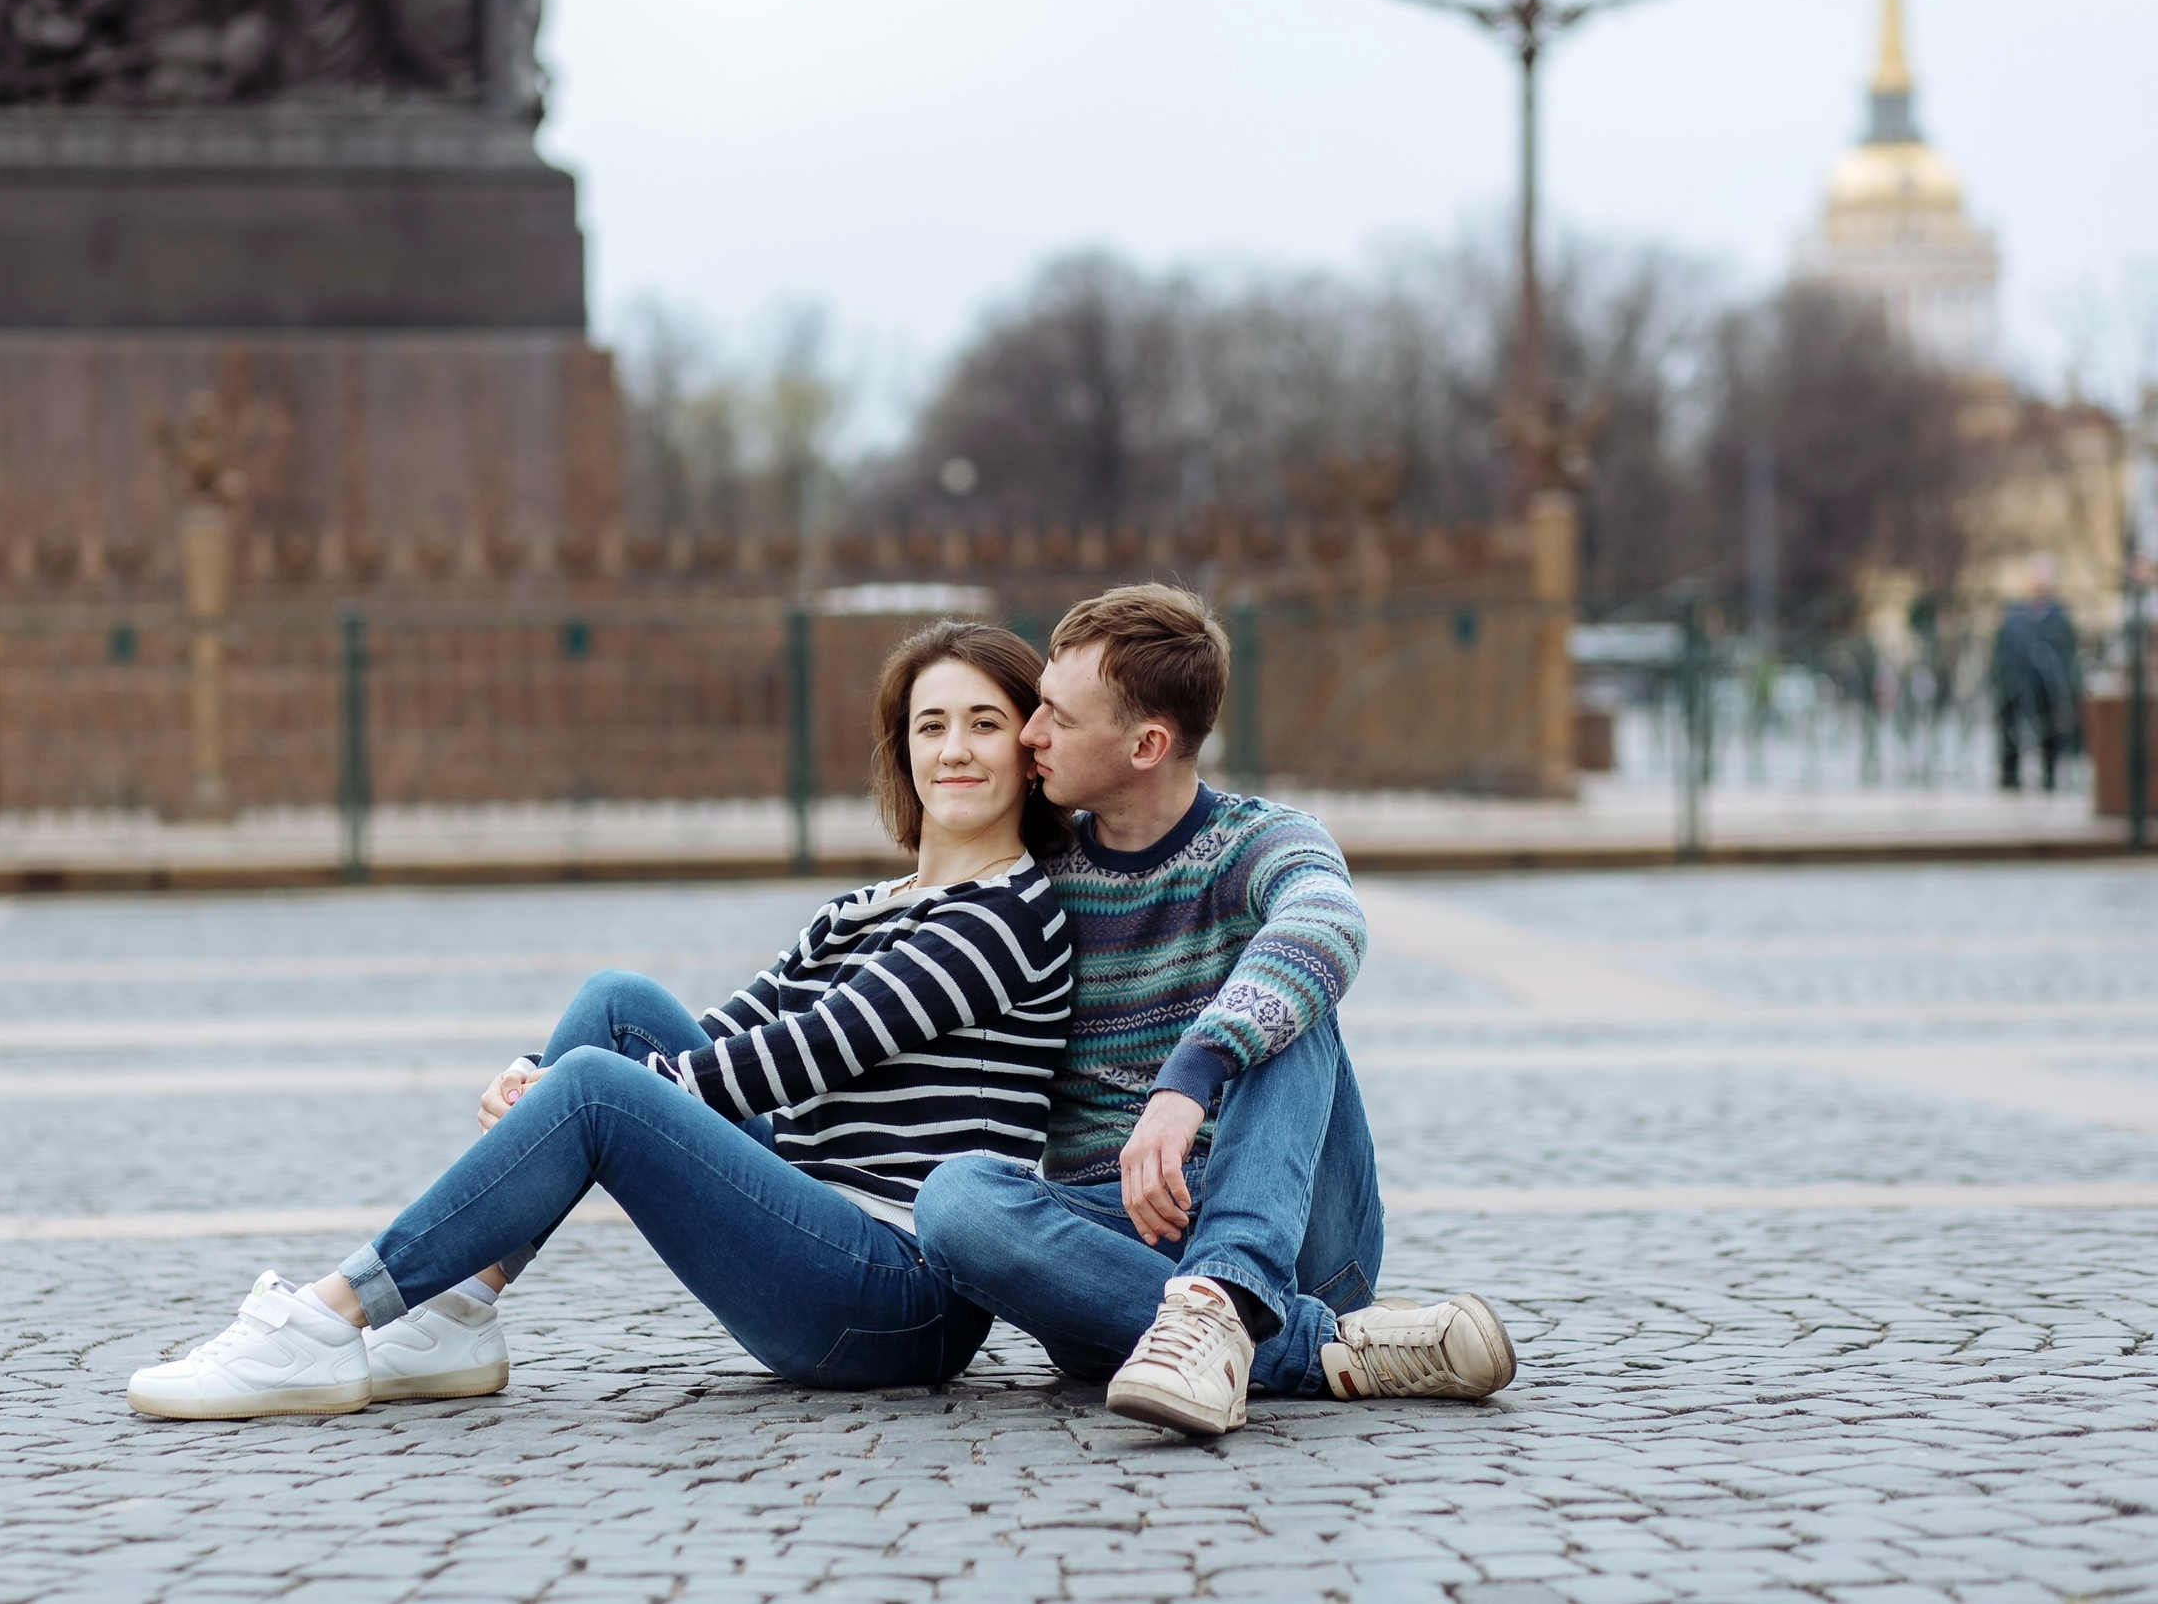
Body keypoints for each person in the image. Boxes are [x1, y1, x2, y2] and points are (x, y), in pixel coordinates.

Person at [126, 622, 1075, 1418]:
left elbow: (797, 1060)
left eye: (984, 724)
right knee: (618, 1010)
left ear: (1028, 754)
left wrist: (571, 1095)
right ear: (902, 748)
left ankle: (327, 1320)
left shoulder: (1005, 916)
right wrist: (542, 1067)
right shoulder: (870, 904)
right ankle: (458, 1311)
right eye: (931, 724)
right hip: (823, 1230)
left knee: (598, 1091)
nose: (954, 748)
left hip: (899, 1297)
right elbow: (732, 1023)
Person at [915, 584, 1517, 1437]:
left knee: (1296, 984)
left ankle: (1226, 1293)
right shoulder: (1037, 876)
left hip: (1304, 1240)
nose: (1029, 735)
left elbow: (1327, 921)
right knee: (955, 1203)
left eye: (1056, 715)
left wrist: (1189, 1078)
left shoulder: (1264, 840)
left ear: (1147, 743)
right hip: (1119, 1252)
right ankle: (1313, 1347)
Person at [1993, 555, 2081, 793]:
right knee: (2010, 725)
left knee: (2049, 724)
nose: (2037, 582)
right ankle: (2009, 774)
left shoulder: (2058, 613)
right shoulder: (2015, 612)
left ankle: (2049, 774)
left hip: (2046, 681)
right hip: (2015, 678)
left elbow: (2067, 647)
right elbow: (2002, 645)